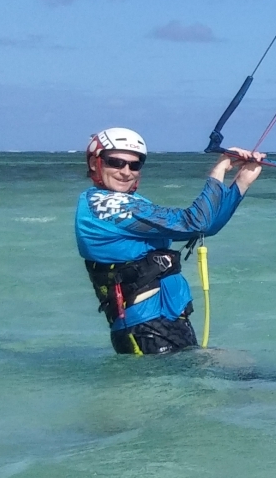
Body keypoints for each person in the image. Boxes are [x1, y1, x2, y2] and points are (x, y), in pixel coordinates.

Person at [74, 127, 265, 355]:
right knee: (241, 371)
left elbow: (206, 228)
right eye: (115, 162)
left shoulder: (130, 202)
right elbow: (195, 223)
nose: (125, 171)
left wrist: (242, 182)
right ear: (95, 164)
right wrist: (220, 168)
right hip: (145, 329)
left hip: (168, 322)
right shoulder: (105, 207)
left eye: (134, 165)